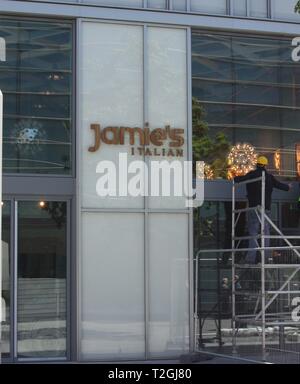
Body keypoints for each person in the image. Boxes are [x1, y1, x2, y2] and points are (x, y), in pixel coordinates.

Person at [234, 156, 292, 264]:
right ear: (265, 165)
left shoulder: (252, 174)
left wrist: (234, 178)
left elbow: (240, 179)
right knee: (265, 232)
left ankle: (251, 258)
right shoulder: (269, 177)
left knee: (253, 233)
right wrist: (288, 187)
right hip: (265, 209)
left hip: (254, 208)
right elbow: (279, 185)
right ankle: (265, 257)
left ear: (257, 164)